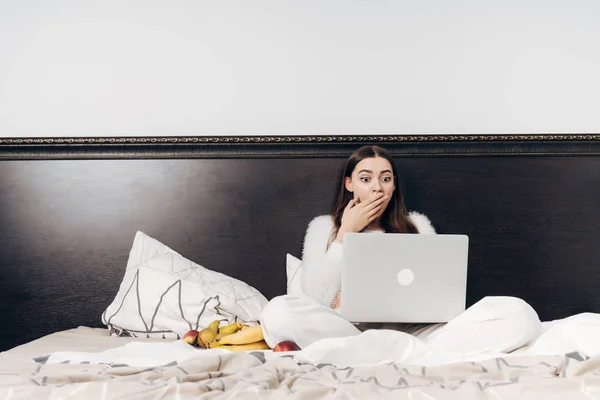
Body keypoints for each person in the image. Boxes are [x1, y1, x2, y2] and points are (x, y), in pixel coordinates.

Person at [260, 145, 541, 354]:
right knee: (277, 312)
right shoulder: (325, 227)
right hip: (349, 332)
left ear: (394, 185)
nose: (377, 189)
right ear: (349, 184)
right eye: (366, 178)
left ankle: (392, 353)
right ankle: (400, 355)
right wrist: (347, 233)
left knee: (519, 314)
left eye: (385, 178)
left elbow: (440, 293)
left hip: (416, 335)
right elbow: (318, 299)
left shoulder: (416, 225)